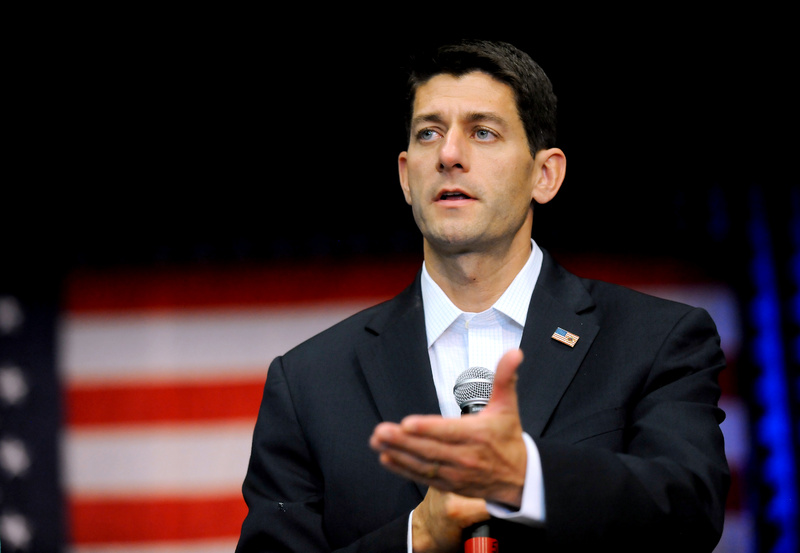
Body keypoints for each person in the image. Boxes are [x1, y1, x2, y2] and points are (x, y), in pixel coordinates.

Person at [236, 39, 729, 552]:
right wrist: (419, 535)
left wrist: (525, 477)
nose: (449, 155)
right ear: (406, 177)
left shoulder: (654, 339)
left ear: (545, 174)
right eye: (429, 133)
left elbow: (689, 509)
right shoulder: (309, 381)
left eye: (483, 132)